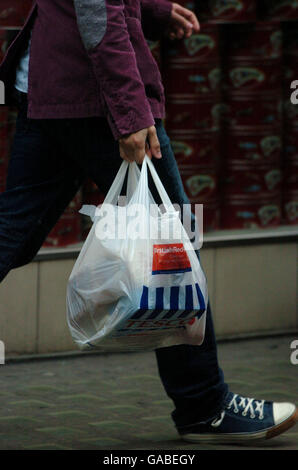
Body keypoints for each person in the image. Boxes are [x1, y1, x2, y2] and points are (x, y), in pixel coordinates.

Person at [0, 0, 297, 445]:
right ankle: (204, 406)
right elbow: (97, 11)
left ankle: (202, 403)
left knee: (11, 234)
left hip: (54, 84)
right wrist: (131, 112)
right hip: (94, 93)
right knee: (174, 246)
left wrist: (151, 11)